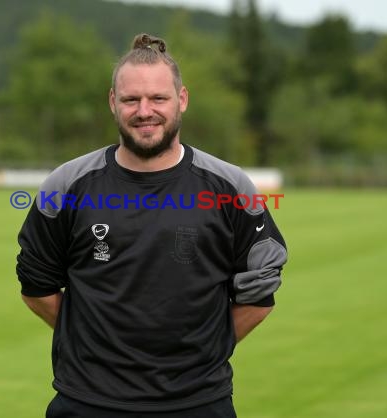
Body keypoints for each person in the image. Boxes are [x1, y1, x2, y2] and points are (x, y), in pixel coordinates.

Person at [16, 33, 288, 418]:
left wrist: (204, 354)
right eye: (131, 99)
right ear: (114, 103)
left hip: (197, 404)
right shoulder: (66, 185)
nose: (145, 110)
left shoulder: (230, 187)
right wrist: (92, 345)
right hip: (87, 403)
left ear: (182, 100)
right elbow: (36, 285)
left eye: (158, 98)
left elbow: (259, 292)